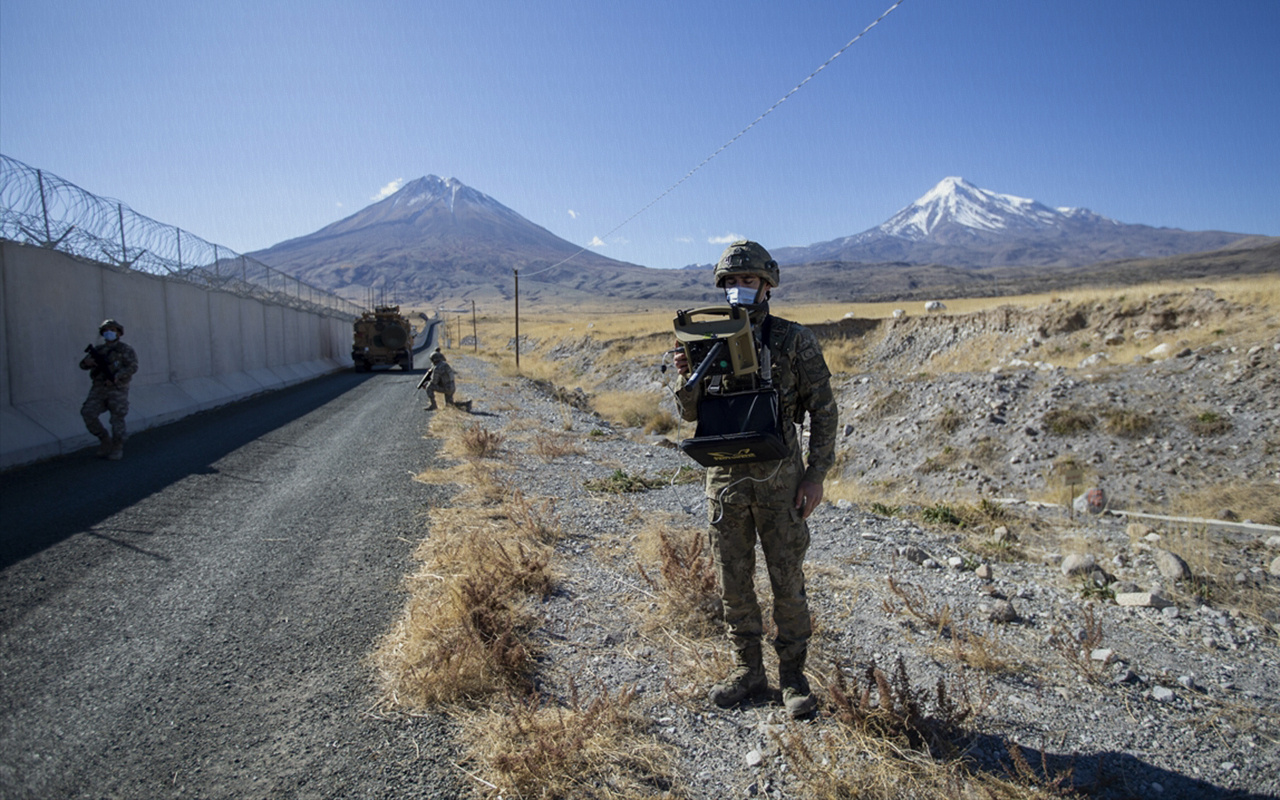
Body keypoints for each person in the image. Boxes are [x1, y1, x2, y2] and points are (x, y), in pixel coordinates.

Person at [673, 240, 838, 718]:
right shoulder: (705, 337)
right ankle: (747, 671)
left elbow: (824, 411)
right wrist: (688, 375)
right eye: (730, 283)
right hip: (725, 481)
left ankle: (792, 677)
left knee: (787, 580)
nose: (738, 290)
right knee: (733, 581)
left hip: (780, 479)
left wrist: (816, 476)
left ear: (767, 285)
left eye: (747, 281)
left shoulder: (794, 340)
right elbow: (687, 413)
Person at [79, 318, 139, 461]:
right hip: (99, 388)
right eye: (106, 330)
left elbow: (132, 367)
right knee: (88, 413)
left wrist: (117, 377)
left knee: (117, 419)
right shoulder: (98, 350)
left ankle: (117, 447)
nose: (109, 333)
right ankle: (105, 440)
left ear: (118, 333)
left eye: (112, 330)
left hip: (117, 389)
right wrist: (87, 363)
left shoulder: (125, 349)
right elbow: (83, 365)